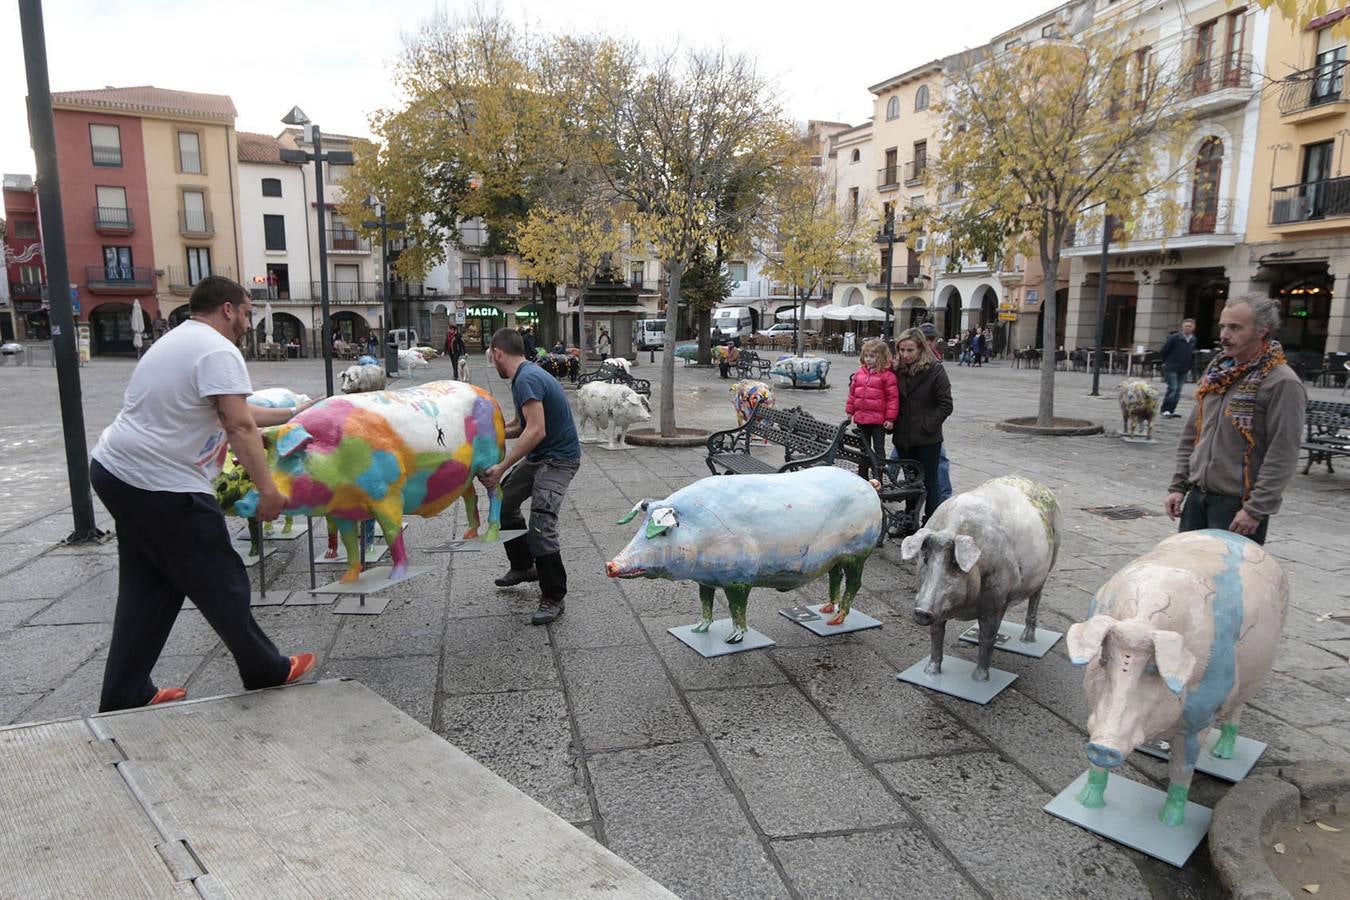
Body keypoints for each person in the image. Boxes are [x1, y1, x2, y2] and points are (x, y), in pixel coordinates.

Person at [89, 276, 314, 712]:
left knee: (150, 586)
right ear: (227, 309)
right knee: (221, 575)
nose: (248, 323)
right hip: (160, 482)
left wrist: (293, 412)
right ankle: (264, 667)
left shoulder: (180, 340)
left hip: (117, 470)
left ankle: (126, 692)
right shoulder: (217, 349)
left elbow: (238, 410)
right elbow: (239, 425)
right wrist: (268, 490)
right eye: (247, 312)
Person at [1166, 295, 1306, 545]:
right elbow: (1193, 433)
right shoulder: (1217, 373)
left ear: (1262, 331)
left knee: (1230, 583)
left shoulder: (1281, 382)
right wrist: (1178, 486)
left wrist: (1255, 509)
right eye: (1223, 326)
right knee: (1191, 579)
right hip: (1198, 498)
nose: (1224, 335)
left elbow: (1282, 452)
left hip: (1236, 507)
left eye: (1235, 328)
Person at [481, 328, 582, 625]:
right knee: (505, 501)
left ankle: (553, 595)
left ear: (498, 353)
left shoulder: (527, 378)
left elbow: (536, 430)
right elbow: (519, 424)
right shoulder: (523, 376)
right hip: (541, 457)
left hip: (560, 460)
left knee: (541, 522)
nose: (492, 362)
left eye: (491, 356)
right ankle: (524, 566)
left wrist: (501, 467)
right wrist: (485, 434)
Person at [891, 326, 954, 524]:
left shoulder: (935, 370)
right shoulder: (896, 370)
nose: (905, 354)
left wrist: (927, 426)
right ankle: (910, 519)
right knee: (910, 480)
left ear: (921, 349)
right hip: (903, 436)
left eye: (910, 350)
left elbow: (946, 404)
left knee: (930, 481)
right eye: (901, 350)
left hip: (927, 438)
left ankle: (931, 522)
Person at [845, 338, 898, 478]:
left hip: (878, 421)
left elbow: (892, 399)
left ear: (881, 357)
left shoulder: (887, 376)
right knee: (863, 448)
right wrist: (850, 411)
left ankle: (878, 476)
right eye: (866, 356)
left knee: (878, 449)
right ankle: (862, 475)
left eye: (872, 356)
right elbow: (853, 393)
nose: (868, 359)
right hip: (862, 418)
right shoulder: (860, 374)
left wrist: (890, 418)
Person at [918, 322, 953, 504]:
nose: (933, 343)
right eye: (929, 340)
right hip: (921, 424)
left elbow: (945, 402)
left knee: (940, 460)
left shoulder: (935, 361)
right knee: (940, 460)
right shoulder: (917, 360)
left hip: (926, 422)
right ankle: (945, 498)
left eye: (933, 340)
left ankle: (945, 496)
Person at [1159, 318, 1197, 418]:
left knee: (1178, 391)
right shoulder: (1174, 338)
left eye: (1190, 326)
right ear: (1182, 327)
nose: (1188, 328)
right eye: (1186, 326)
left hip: (1183, 368)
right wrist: (1165, 362)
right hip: (1172, 367)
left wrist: (1190, 367)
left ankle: (1172, 410)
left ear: (1193, 328)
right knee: (1173, 389)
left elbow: (1191, 355)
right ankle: (1165, 410)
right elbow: (1164, 350)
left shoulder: (1193, 340)